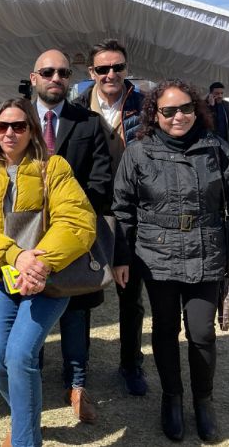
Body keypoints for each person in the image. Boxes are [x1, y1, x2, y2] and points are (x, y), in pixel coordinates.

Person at [113, 78, 229, 442]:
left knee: (202, 332)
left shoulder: (215, 147)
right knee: (166, 330)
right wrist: (121, 256)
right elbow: (123, 208)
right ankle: (172, 397)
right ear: (154, 114)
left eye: (186, 108)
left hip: (207, 250)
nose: (178, 116)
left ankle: (204, 400)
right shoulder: (138, 152)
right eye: (168, 111)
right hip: (157, 254)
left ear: (196, 109)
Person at [0, 98, 97, 447]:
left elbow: (78, 220)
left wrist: (41, 262)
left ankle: (25, 438)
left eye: (18, 126)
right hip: (0, 278)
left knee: (20, 355)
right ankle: (27, 418)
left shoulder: (55, 168)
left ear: (31, 131)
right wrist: (14, 256)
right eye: (2, 126)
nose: (10, 132)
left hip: (49, 280)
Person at [31, 48, 112, 422]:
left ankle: (76, 382)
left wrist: (70, 223)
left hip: (74, 236)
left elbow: (100, 182)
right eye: (48, 71)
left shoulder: (88, 122)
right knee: (28, 308)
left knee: (76, 309)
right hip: (25, 237)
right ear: (34, 78)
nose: (56, 78)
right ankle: (30, 370)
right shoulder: (14, 120)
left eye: (63, 73)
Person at [73, 38, 148, 397]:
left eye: (117, 67)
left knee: (130, 294)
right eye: (102, 69)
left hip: (132, 213)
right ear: (92, 72)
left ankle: (131, 363)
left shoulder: (145, 108)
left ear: (126, 68)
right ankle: (78, 364)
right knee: (81, 291)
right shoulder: (76, 107)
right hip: (90, 212)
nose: (111, 74)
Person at [207, 82, 229, 158]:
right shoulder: (204, 105)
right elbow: (208, 124)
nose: (220, 96)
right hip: (211, 145)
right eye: (217, 93)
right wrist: (211, 106)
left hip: (226, 143)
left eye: (222, 93)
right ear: (211, 94)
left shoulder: (226, 104)